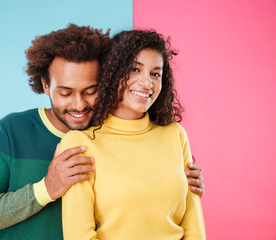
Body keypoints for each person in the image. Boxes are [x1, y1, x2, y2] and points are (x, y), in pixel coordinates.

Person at [0, 24, 205, 240]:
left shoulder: (106, 133)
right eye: (65, 92)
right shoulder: (14, 130)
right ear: (45, 85)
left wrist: (177, 180)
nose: (78, 105)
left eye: (90, 91)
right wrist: (46, 188)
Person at [60, 29, 206, 239]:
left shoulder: (175, 135)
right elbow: (78, 235)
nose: (147, 83)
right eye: (135, 69)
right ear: (112, 72)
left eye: (155, 74)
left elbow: (194, 227)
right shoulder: (81, 143)